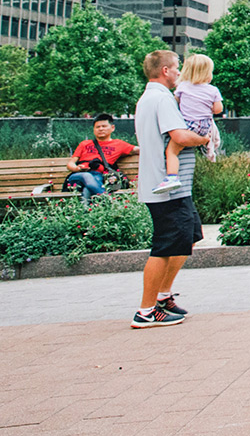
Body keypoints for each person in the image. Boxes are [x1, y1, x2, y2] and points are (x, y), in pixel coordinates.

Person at [132, 50, 209, 328]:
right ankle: (146, 311)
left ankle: (163, 297)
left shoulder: (152, 98)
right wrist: (203, 138)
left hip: (176, 187)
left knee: (188, 236)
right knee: (164, 247)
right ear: (165, 70)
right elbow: (179, 136)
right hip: (166, 188)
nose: (180, 72)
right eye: (177, 67)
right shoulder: (161, 99)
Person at [161, 52, 223, 193]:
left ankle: (172, 177)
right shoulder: (213, 90)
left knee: (171, 151)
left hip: (188, 125)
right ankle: (206, 146)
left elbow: (174, 104)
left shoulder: (182, 87)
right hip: (204, 126)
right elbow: (218, 109)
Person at [63, 114, 135, 201]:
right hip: (78, 176)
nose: (100, 129)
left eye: (104, 126)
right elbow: (70, 164)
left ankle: (86, 212)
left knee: (88, 188)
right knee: (87, 176)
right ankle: (108, 200)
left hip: (99, 176)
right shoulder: (84, 144)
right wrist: (77, 168)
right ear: (94, 129)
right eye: (97, 127)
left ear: (112, 128)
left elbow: (140, 150)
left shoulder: (119, 144)